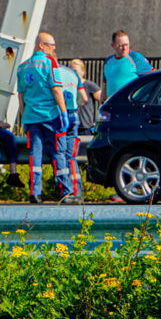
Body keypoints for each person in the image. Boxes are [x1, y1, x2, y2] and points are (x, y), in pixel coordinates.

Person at [16, 32, 74, 204]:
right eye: (51, 45)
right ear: (41, 45)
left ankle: (35, 192)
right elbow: (56, 89)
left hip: (31, 117)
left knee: (35, 154)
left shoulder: (22, 67)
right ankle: (66, 192)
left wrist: (23, 118)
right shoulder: (50, 63)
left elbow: (21, 97)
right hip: (50, 115)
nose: (53, 48)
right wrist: (64, 113)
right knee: (59, 152)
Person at [55, 62, 87, 202]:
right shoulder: (73, 74)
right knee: (71, 155)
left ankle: (64, 189)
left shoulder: (53, 73)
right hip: (74, 114)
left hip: (60, 114)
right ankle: (77, 188)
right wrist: (76, 104)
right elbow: (84, 98)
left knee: (60, 153)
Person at [101, 30, 153, 101]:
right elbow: (106, 84)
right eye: (120, 45)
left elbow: (152, 78)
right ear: (113, 45)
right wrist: (102, 101)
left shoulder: (136, 58)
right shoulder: (108, 61)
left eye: (127, 45)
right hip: (112, 105)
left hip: (131, 104)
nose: (124, 48)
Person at [70, 59, 101, 134]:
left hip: (84, 126)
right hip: (70, 125)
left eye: (75, 71)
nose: (72, 73)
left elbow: (102, 98)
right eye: (70, 71)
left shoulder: (89, 85)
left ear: (83, 72)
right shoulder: (67, 86)